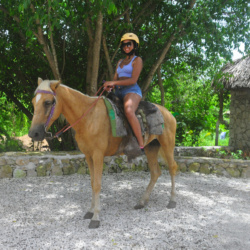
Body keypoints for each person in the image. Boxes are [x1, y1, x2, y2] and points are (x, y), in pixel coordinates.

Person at [103, 33, 144, 151]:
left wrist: (114, 83)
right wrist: (109, 87)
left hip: (132, 90)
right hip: (118, 91)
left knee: (129, 111)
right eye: (124, 44)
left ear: (135, 46)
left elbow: (133, 80)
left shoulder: (137, 60)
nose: (126, 46)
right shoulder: (120, 61)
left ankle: (141, 144)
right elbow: (115, 79)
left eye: (129, 44)